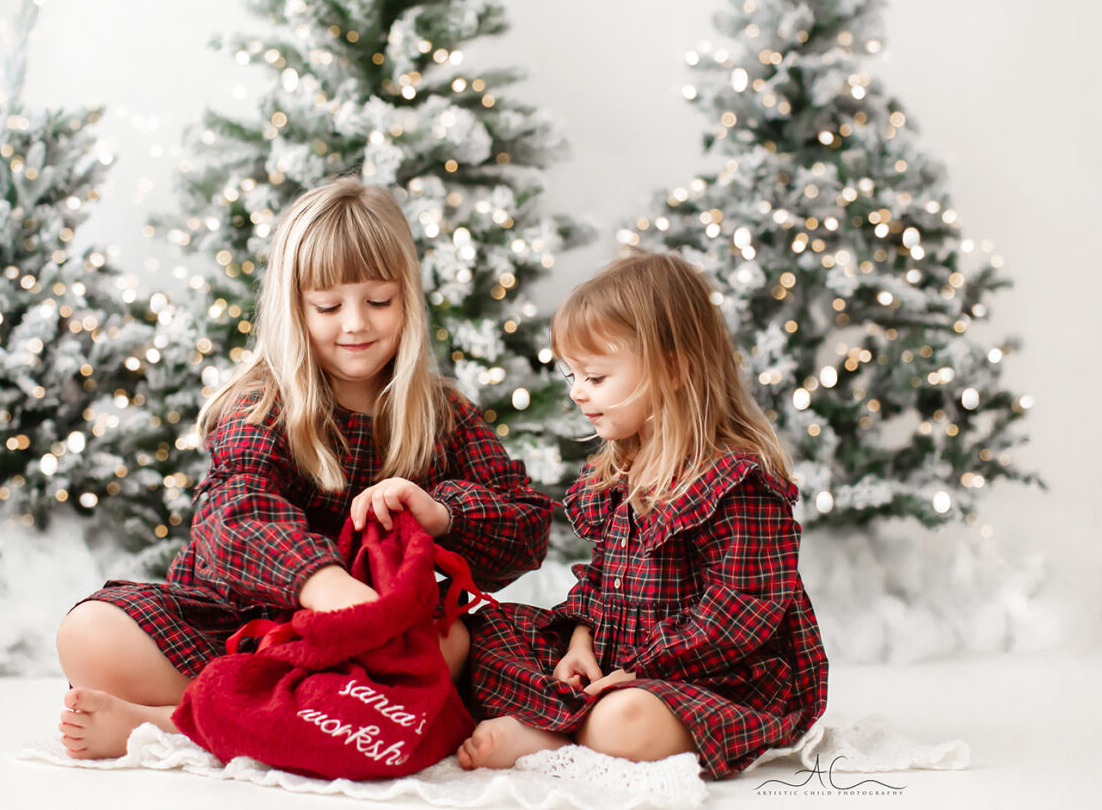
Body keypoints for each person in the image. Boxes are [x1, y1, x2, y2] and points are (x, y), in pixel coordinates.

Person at [56, 178, 553, 759]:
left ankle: (178, 722)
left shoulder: (442, 413)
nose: (355, 325)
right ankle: (300, 713)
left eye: (378, 301)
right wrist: (330, 589)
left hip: (369, 645)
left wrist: (443, 515)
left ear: (408, 300)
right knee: (90, 635)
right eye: (327, 306)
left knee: (453, 642)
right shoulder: (263, 405)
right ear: (294, 308)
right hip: (242, 627)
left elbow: (527, 526)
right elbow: (232, 514)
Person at [458, 250, 828, 779]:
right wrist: (581, 646)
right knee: (482, 631)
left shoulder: (739, 486)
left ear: (673, 368)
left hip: (707, 677)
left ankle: (549, 730)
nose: (578, 393)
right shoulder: (618, 473)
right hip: (614, 656)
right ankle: (569, 713)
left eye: (596, 377)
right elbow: (600, 581)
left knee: (622, 721)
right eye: (573, 376)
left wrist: (637, 671)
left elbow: (737, 617)